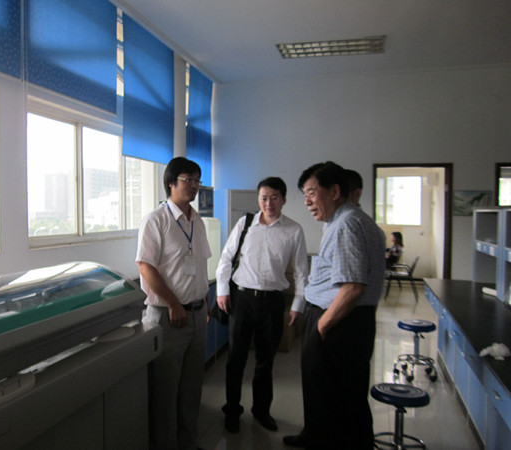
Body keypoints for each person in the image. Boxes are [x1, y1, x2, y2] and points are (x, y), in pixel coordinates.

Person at [283, 161, 385, 450]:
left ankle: (324, 440)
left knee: (332, 395)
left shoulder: (346, 225)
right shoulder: (354, 221)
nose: (307, 202)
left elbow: (352, 288)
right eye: (305, 194)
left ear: (335, 192)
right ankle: (315, 435)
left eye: (311, 193)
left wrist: (321, 327)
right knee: (342, 394)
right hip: (350, 320)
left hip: (339, 321)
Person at [215, 177, 308, 433]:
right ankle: (232, 410)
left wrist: (298, 304)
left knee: (265, 362)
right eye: (264, 198)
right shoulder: (245, 224)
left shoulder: (294, 230)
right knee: (236, 360)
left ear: (283, 200)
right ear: (258, 199)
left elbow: (302, 271)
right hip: (242, 300)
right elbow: (226, 258)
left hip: (272, 302)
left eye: (274, 197)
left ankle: (261, 411)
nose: (269, 203)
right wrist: (222, 291)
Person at [136, 156, 212, 450]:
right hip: (168, 317)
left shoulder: (197, 221)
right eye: (187, 179)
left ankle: (188, 442)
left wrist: (204, 298)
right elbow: (145, 266)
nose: (194, 185)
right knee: (165, 390)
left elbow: (200, 264)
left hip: (197, 314)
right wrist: (173, 304)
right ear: (171, 183)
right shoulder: (156, 220)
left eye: (197, 180)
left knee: (192, 387)